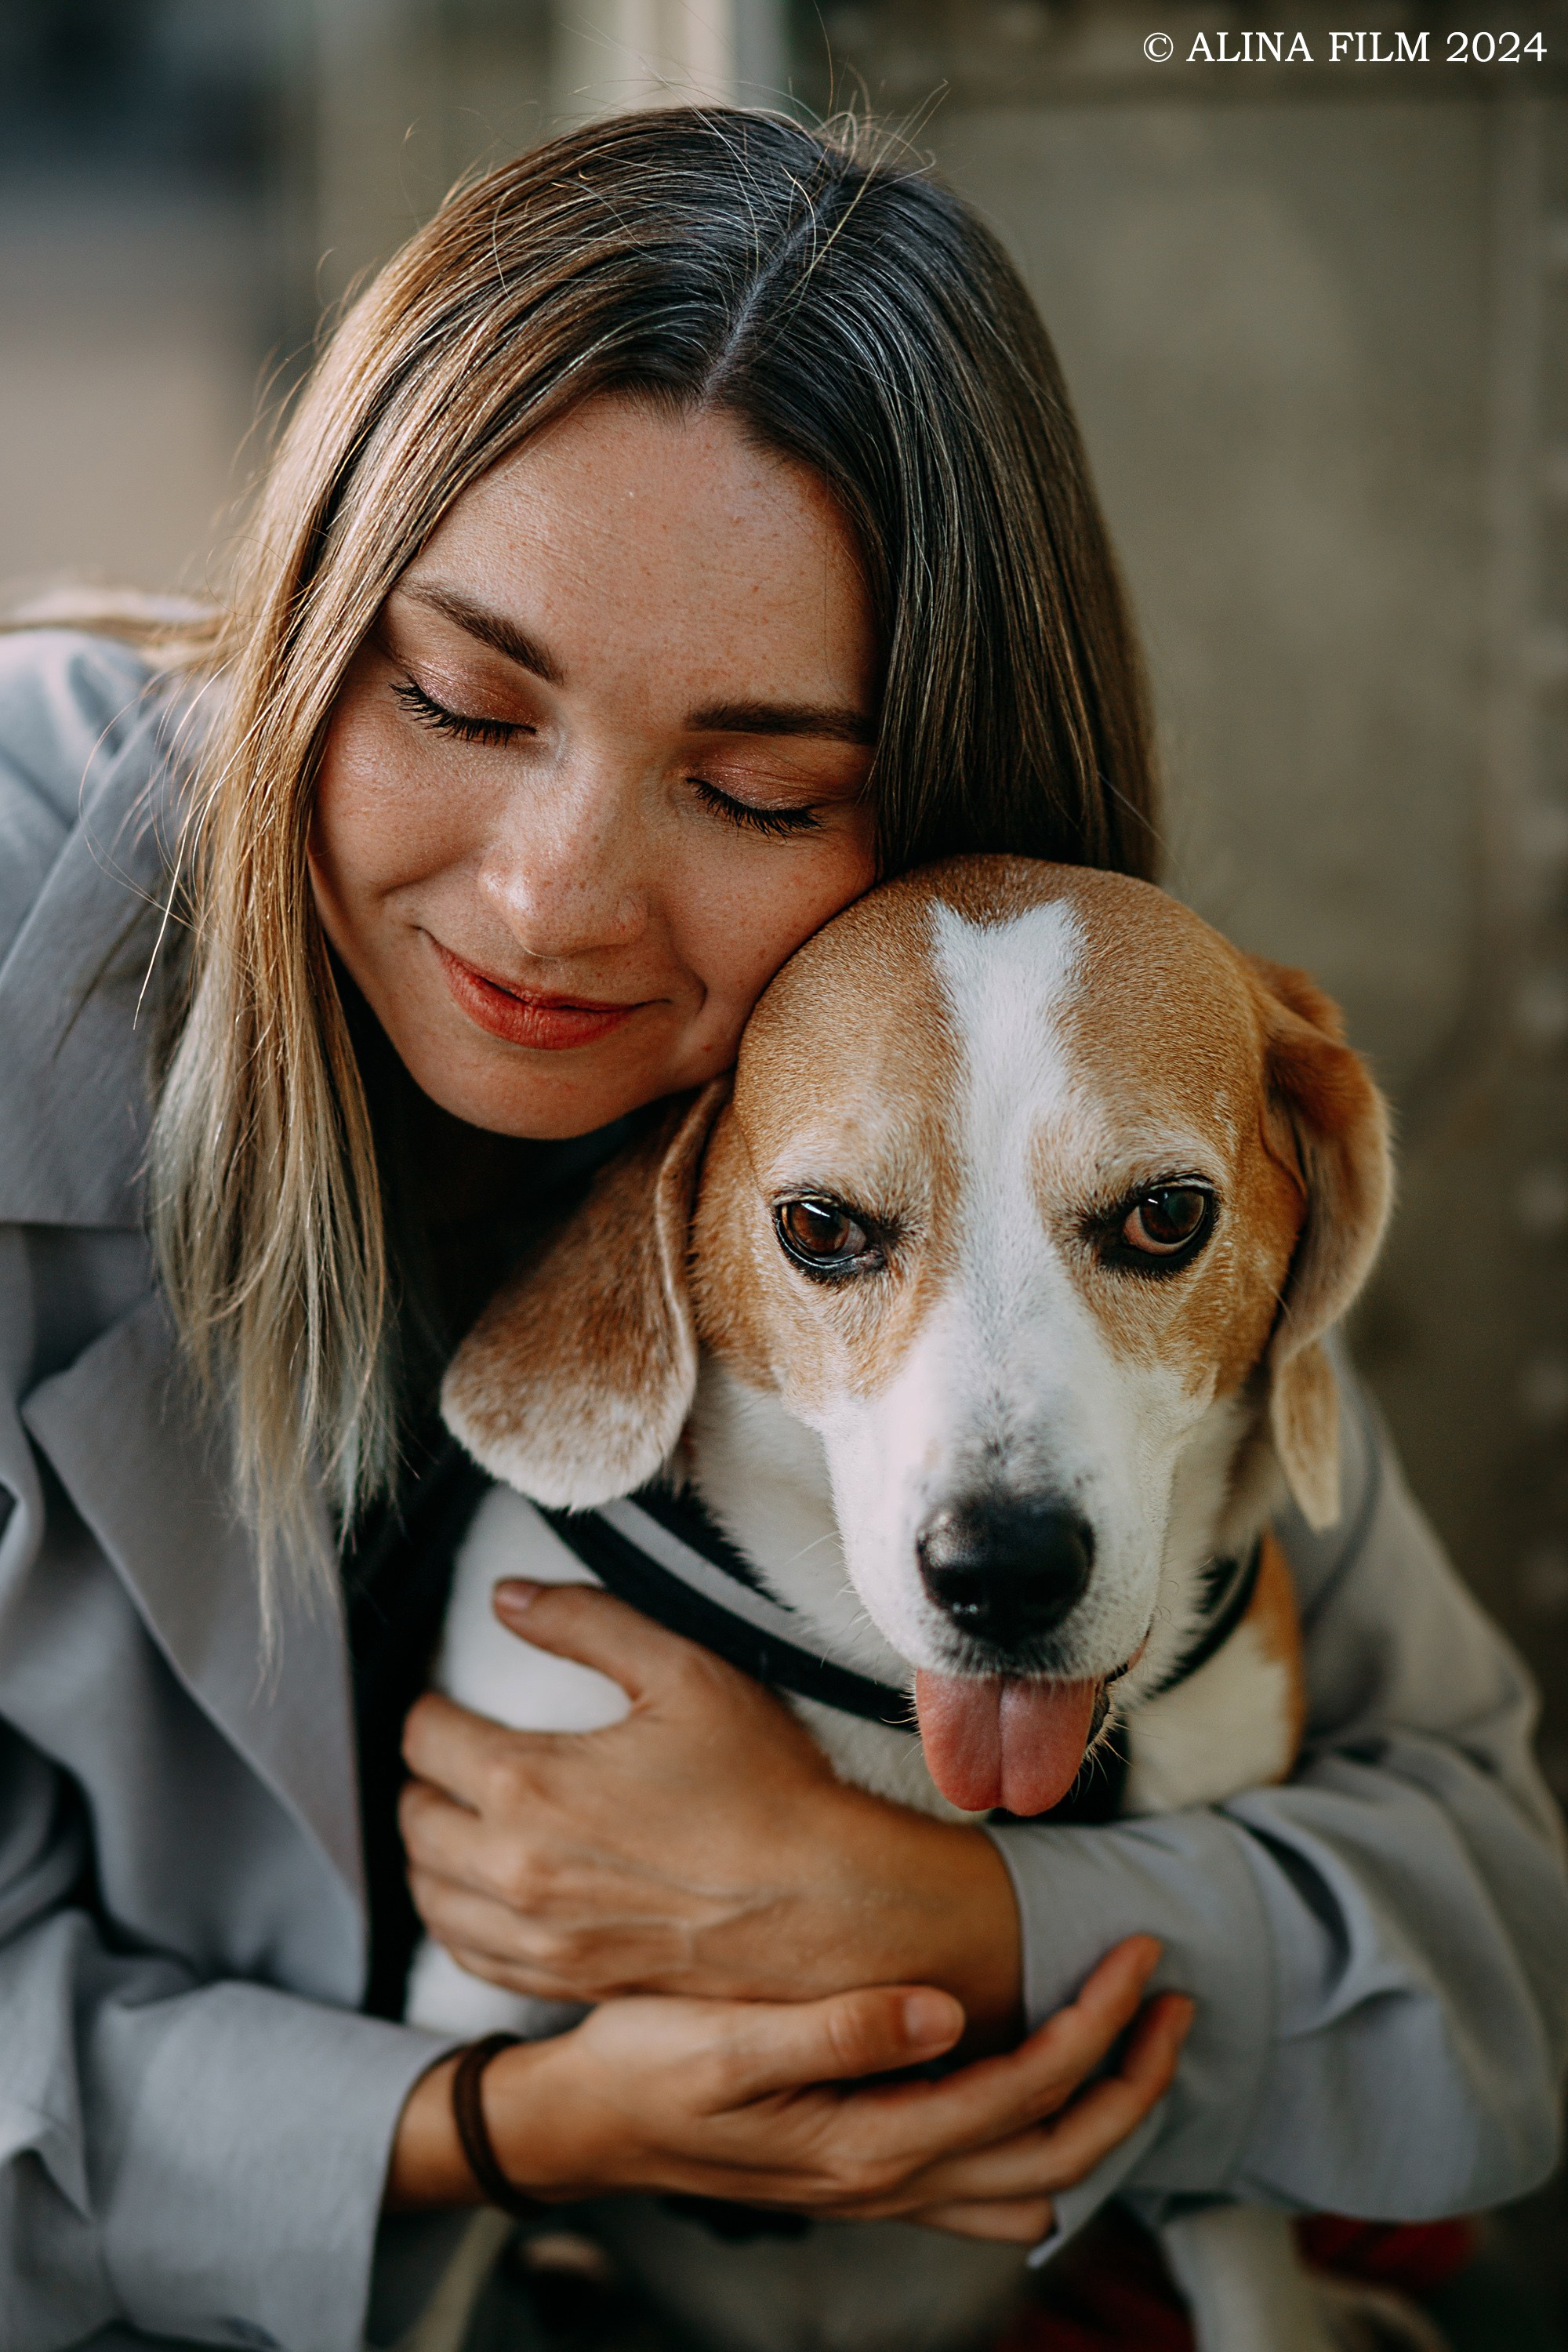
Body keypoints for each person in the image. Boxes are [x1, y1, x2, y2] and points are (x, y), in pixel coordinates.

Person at [0, 107, 1562, 2352]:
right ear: (313, 621)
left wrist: (912, 1910)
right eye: (458, 693)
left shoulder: (1030, 1055)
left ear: (938, 812)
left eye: (758, 787)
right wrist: (507, 2123)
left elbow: (1501, 1946)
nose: (548, 895)